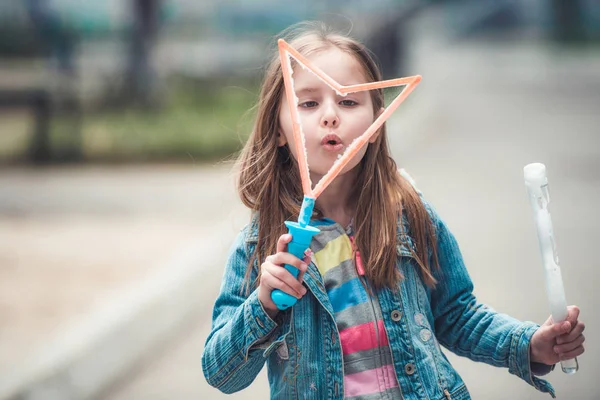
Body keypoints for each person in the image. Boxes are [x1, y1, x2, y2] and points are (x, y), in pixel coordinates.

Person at [201, 21, 585, 399]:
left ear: (376, 120)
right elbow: (221, 373)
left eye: (349, 101)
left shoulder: (408, 215)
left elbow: (457, 314)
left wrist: (528, 345)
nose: (331, 114)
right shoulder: (261, 245)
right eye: (309, 102)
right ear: (279, 129)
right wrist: (264, 304)